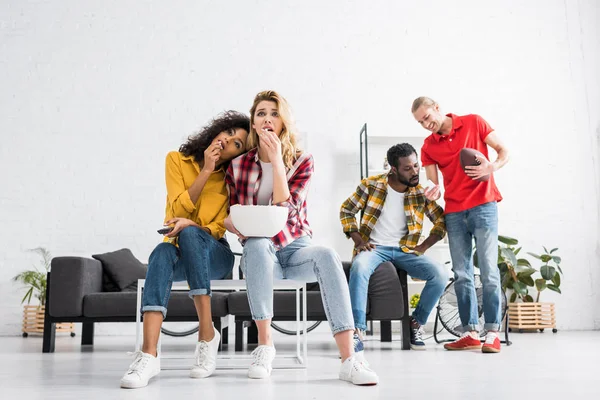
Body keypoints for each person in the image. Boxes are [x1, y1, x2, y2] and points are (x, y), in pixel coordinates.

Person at [224, 90, 379, 385]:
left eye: (274, 113)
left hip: (295, 248)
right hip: (260, 252)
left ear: (283, 122)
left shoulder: (302, 161)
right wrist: (235, 224)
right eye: (261, 114)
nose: (267, 119)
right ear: (253, 123)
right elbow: (230, 212)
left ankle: (350, 358)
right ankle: (264, 346)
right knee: (256, 244)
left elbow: (287, 209)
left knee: (327, 254)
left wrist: (278, 163)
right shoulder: (237, 165)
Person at [120, 111, 250, 389]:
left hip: (215, 253)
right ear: (217, 130)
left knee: (191, 233)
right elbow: (177, 211)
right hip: (178, 249)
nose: (229, 141)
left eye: (238, 144)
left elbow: (218, 227)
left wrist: (193, 225)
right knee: (161, 253)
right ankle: (149, 354)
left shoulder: (231, 180)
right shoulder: (176, 160)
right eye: (228, 133)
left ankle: (206, 333)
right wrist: (205, 170)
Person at [411, 96, 509, 353]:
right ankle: (471, 333)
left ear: (437, 108)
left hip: (484, 206)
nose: (426, 123)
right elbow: (433, 183)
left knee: (488, 270)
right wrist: (431, 190)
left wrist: (492, 166)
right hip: (454, 212)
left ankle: (492, 333)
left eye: (428, 116)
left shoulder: (473, 123)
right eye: (420, 122)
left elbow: (503, 151)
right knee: (462, 274)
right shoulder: (428, 146)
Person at [340, 143, 448, 350]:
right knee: (359, 268)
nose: (415, 172)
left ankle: (415, 322)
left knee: (440, 274)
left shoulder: (420, 192)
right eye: (408, 168)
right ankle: (357, 332)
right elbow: (346, 210)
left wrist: (424, 246)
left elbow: (441, 221)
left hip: (405, 250)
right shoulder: (371, 185)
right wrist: (359, 241)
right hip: (374, 248)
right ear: (393, 169)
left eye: (416, 166)